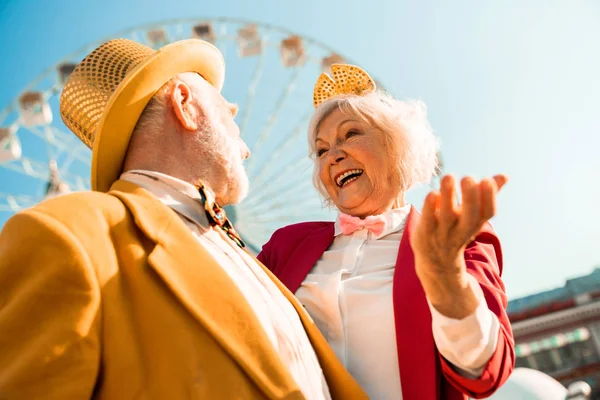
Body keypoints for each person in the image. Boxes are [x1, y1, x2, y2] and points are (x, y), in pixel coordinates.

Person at [0, 39, 367, 400]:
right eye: (229, 113)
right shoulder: (70, 236)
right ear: (185, 105)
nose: (246, 147)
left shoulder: (263, 271)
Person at [258, 64, 515, 400]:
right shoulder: (286, 245)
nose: (333, 156)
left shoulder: (454, 238)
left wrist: (445, 276)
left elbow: (484, 369)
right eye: (321, 151)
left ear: (398, 147)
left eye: (350, 135)